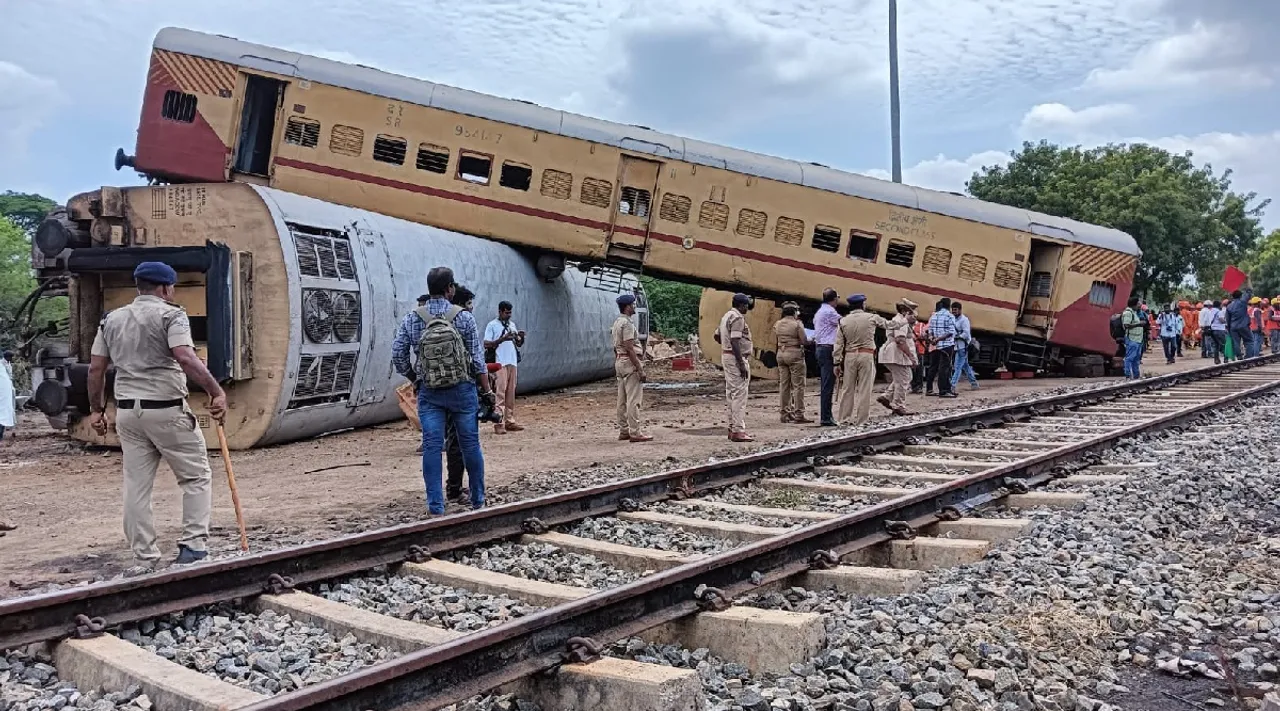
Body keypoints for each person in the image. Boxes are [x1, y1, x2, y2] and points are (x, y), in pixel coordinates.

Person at [86, 261, 226, 569]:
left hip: (128, 415)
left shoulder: (111, 320)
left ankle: (145, 556)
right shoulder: (171, 314)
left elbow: (96, 368)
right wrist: (216, 391)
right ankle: (193, 547)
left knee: (136, 486)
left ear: (139, 287)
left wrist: (96, 410)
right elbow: (185, 357)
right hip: (166, 410)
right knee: (196, 477)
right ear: (165, 288)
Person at [392, 266, 494, 515]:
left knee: (432, 445)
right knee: (470, 443)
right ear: (450, 289)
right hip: (462, 390)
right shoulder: (464, 317)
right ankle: (478, 500)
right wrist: (487, 391)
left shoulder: (413, 318)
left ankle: (436, 506)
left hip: (430, 392)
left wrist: (415, 377)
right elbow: (478, 360)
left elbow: (398, 355)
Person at [833, 294, 889, 425]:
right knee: (864, 389)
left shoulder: (843, 321)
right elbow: (888, 324)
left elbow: (838, 344)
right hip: (866, 355)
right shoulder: (871, 317)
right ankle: (861, 420)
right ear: (863, 305)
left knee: (847, 389)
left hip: (850, 356)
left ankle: (844, 419)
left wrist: (836, 362)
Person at [612, 293, 651, 442]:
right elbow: (629, 348)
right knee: (634, 399)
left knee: (621, 399)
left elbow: (616, 348)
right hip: (629, 362)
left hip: (620, 362)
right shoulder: (627, 324)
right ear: (628, 307)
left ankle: (624, 430)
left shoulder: (617, 323)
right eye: (633, 304)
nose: (635, 306)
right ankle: (635, 432)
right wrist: (639, 368)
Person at [716, 293, 754, 442]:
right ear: (741, 305)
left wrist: (725, 344)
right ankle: (739, 430)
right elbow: (735, 340)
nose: (747, 308)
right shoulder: (738, 318)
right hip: (735, 357)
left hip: (726, 355)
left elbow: (717, 336)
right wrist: (741, 363)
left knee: (731, 392)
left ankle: (732, 428)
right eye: (746, 305)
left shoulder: (726, 316)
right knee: (739, 393)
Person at [484, 300, 526, 434]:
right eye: (506, 313)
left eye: (510, 313)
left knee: (510, 393)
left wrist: (520, 338)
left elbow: (518, 344)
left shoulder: (512, 325)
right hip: (499, 362)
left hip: (511, 361)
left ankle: (510, 420)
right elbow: (486, 344)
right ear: (500, 312)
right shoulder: (492, 325)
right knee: (500, 393)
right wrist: (503, 338)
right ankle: (499, 423)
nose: (509, 315)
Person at [876, 299, 918, 416]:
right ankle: (898, 405)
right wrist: (911, 357)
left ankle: (887, 396)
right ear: (905, 312)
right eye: (912, 312)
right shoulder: (901, 322)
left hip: (893, 353)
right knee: (903, 379)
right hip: (896, 354)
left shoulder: (898, 320)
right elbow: (900, 340)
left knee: (905, 377)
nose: (915, 315)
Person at [773, 302, 811, 423]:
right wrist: (812, 340)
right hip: (794, 354)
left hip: (781, 354)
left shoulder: (777, 324)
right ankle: (799, 413)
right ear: (794, 312)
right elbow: (804, 340)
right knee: (798, 385)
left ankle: (784, 413)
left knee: (784, 385)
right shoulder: (797, 324)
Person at [812, 288, 841, 427]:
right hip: (827, 349)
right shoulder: (830, 312)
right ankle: (826, 417)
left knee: (827, 383)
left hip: (821, 348)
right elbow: (844, 324)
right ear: (834, 299)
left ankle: (826, 416)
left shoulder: (820, 311)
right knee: (827, 385)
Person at [926, 298, 958, 397]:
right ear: (949, 305)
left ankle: (933, 389)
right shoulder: (950, 316)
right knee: (945, 368)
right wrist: (939, 339)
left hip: (936, 346)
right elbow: (950, 332)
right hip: (946, 345)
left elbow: (929, 331)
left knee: (934, 367)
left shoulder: (934, 316)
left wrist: (933, 339)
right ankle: (944, 390)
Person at [949, 301, 979, 391]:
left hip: (963, 347)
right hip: (957, 346)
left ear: (960, 310)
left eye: (955, 310)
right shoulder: (953, 319)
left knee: (957, 366)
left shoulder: (964, 320)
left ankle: (952, 385)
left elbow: (966, 333)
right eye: (953, 310)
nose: (954, 312)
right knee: (965, 366)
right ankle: (974, 383)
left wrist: (958, 336)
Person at [1120, 296, 1146, 378]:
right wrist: (1139, 324)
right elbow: (1126, 325)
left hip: (1137, 339)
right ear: (1134, 304)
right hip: (1131, 339)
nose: (1140, 305)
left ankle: (1136, 376)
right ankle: (1127, 375)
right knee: (1129, 358)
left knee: (1136, 359)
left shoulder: (1135, 312)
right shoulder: (1128, 313)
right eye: (1138, 303)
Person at [1225, 287, 1253, 360]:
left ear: (1232, 297)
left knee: (1236, 342)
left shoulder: (1229, 306)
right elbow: (1249, 293)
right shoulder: (1243, 302)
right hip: (1244, 326)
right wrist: (1247, 283)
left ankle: (1239, 356)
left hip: (1233, 327)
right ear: (1241, 296)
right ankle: (1249, 357)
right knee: (1249, 341)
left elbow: (1227, 319)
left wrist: (1228, 328)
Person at [911, 316, 930, 394]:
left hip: (919, 349)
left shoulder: (921, 325)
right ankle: (914, 386)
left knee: (919, 369)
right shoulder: (907, 326)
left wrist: (918, 337)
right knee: (911, 369)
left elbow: (925, 336)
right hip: (910, 350)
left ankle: (919, 386)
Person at [1206, 299, 1228, 364]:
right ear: (1219, 305)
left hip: (1212, 330)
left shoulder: (1210, 311)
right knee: (1224, 344)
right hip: (1220, 330)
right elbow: (1221, 320)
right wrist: (1225, 321)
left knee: (1216, 345)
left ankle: (1216, 359)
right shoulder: (1219, 312)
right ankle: (1225, 359)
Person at [0, 351, 13, 442]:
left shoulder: (5, 365)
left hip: (5, 393)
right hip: (4, 392)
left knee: (3, 415)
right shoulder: (2, 365)